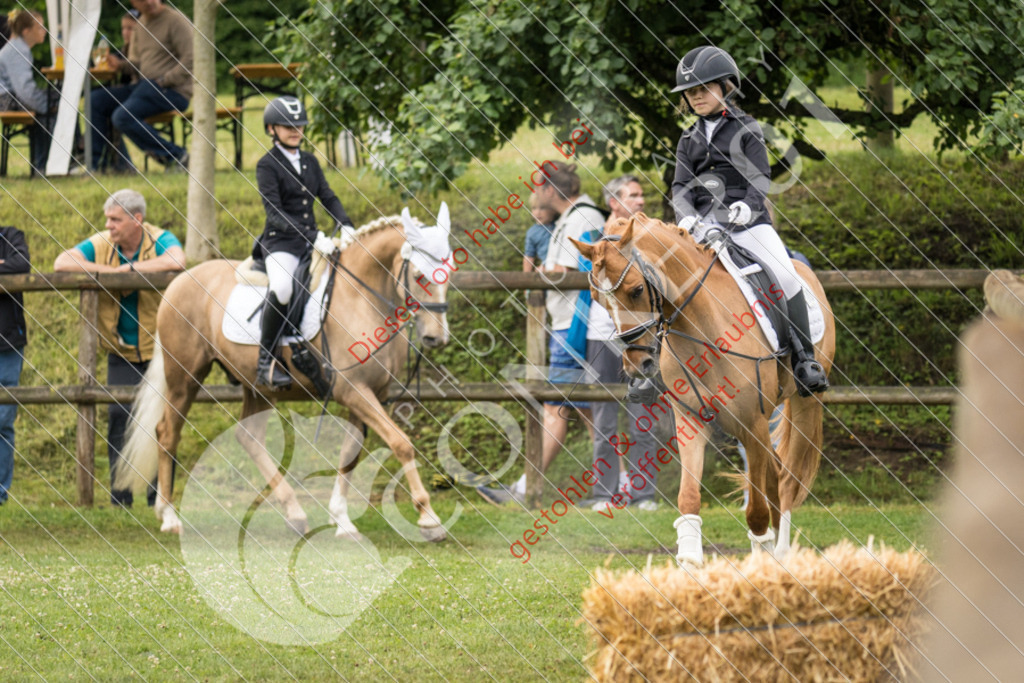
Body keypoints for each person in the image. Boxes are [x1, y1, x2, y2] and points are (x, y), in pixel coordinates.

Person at [670, 45, 829, 397]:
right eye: (691, 92)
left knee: (786, 275)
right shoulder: (687, 139)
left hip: (748, 222)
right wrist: (688, 217)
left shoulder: (748, 127)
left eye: (704, 88)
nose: (697, 97)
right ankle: (661, 369)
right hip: (703, 228)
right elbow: (680, 185)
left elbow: (760, 176)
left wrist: (748, 205)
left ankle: (804, 359)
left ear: (725, 87)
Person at [53, 189, 185, 506]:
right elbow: (62, 261)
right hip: (121, 352)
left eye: (115, 219)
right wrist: (112, 273)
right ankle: (120, 498)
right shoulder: (102, 243)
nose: (108, 225)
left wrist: (131, 271)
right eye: (108, 219)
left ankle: (159, 496)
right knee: (118, 419)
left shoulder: (160, 238)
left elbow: (177, 261)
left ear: (136, 220)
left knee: (163, 420)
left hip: (159, 351)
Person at [253, 96, 354, 389]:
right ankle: (265, 360)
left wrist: (345, 224)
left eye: (299, 125)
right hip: (281, 243)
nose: (295, 130)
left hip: (313, 243)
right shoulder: (266, 165)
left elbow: (328, 196)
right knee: (283, 287)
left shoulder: (310, 161)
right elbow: (275, 213)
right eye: (287, 126)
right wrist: (314, 237)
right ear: (271, 129)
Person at [89, 0, 193, 172]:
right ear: (133, 3)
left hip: (173, 90)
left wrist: (165, 80)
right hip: (146, 87)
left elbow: (191, 58)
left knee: (122, 117)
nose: (149, 2)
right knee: (96, 100)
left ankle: (177, 157)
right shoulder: (140, 26)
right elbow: (138, 64)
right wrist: (120, 65)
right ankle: (99, 166)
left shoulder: (176, 21)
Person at [0, 9, 54, 174]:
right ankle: (44, 165)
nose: (44, 32)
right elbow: (25, 92)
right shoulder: (18, 50)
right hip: (5, 100)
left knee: (54, 101)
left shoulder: (18, 47)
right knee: (54, 107)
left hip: (6, 97)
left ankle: (43, 164)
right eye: (39, 28)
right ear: (26, 31)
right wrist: (48, 105)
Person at [0, 225, 29, 505]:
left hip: (7, 344)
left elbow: (21, 264)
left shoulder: (11, 236)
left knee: (2, 420)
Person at [522, 193, 557, 272]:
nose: (537, 212)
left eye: (542, 208)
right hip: (546, 267)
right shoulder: (532, 232)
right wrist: (526, 280)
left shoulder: (559, 224)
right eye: (534, 208)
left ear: (552, 210)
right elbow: (529, 257)